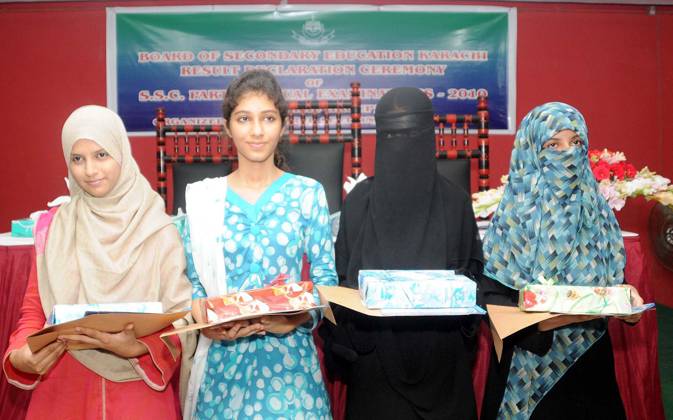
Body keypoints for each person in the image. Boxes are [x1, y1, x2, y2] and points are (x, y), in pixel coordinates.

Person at [3, 105, 193, 418]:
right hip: (63, 389)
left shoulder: (159, 229)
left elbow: (181, 321)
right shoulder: (54, 226)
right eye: (78, 159)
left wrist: (138, 348)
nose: (90, 170)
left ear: (121, 152)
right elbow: (34, 310)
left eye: (101, 155)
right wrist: (20, 355)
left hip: (138, 394)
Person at [320, 87, 485, 419]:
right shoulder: (359, 203)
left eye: (413, 134)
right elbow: (338, 288)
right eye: (392, 134)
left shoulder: (455, 203)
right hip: (373, 367)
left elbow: (475, 285)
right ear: (379, 139)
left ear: (430, 137)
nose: (402, 144)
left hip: (444, 369)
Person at [181, 69, 336, 419]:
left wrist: (297, 318)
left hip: (291, 370)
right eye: (244, 119)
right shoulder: (205, 199)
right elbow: (191, 283)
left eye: (267, 118)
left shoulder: (306, 194)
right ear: (227, 126)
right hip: (223, 370)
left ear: (282, 125)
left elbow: (327, 279)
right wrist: (208, 321)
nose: (256, 131)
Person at [480, 102, 644, 419]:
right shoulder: (513, 217)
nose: (567, 153)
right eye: (553, 144)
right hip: (525, 369)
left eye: (575, 142)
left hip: (589, 367)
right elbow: (492, 296)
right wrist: (546, 324)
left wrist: (628, 300)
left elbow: (612, 282)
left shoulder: (597, 211)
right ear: (531, 150)